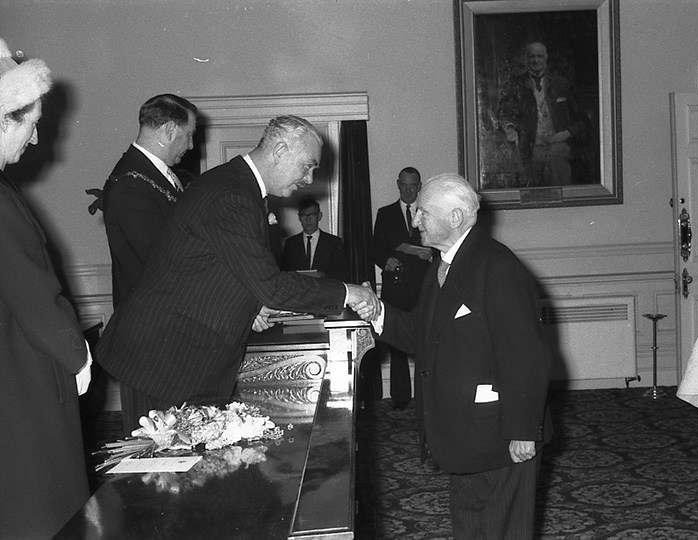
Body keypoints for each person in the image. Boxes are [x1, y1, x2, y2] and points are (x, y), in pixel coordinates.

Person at [96, 115, 379, 434]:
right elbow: (272, 286)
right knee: (163, 473)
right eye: (307, 166)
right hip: (163, 362)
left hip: (178, 357)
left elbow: (221, 268)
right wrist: (349, 292)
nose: (309, 178)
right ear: (281, 151)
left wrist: (251, 305)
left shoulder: (238, 187)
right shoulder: (232, 195)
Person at [361, 173, 552, 540]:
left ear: (455, 217)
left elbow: (526, 355)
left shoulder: (496, 266)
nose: (415, 220)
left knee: (503, 531)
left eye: (422, 212)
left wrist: (523, 432)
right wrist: (375, 311)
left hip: (501, 435)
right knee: (472, 527)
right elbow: (422, 334)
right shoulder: (443, 264)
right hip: (463, 436)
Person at [0, 38, 93, 540]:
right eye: (31, 125)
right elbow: (32, 293)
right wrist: (76, 355)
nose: (35, 141)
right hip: (19, 385)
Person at [102, 94, 197, 307]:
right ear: (170, 130)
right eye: (189, 135)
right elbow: (164, 260)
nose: (191, 145)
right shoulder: (131, 185)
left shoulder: (153, 176)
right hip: (152, 318)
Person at [371, 166, 433, 410]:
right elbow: (376, 247)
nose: (408, 191)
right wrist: (386, 260)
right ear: (398, 184)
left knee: (424, 342)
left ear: (419, 186)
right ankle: (400, 397)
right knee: (396, 343)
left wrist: (432, 255)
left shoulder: (428, 213)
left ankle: (425, 394)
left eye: (413, 186)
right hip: (395, 288)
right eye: (404, 186)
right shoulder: (385, 214)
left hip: (423, 287)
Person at [497, 40, 587, 187]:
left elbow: (582, 119)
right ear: (526, 60)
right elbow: (503, 113)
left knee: (558, 160)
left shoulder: (562, 84)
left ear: (546, 58)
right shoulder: (515, 85)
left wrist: (567, 132)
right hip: (530, 145)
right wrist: (510, 129)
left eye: (539, 56)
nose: (535, 60)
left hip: (558, 144)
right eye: (532, 57)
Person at [281, 196, 349, 281]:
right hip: (300, 291)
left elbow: (342, 273)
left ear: (319, 216)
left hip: (325, 289)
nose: (308, 219)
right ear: (299, 218)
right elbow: (284, 273)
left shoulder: (333, 242)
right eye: (304, 215)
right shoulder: (290, 243)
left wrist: (323, 275)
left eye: (312, 215)